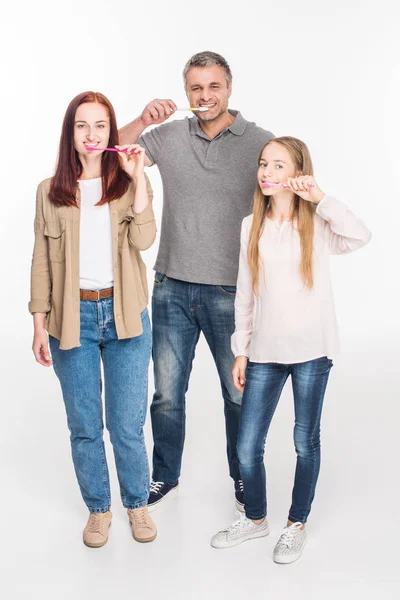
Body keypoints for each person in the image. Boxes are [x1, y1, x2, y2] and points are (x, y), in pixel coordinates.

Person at [119, 51, 274, 511]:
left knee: (237, 394)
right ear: (186, 92)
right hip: (171, 288)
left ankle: (244, 476)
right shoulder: (167, 136)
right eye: (195, 88)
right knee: (167, 395)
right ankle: (165, 476)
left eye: (213, 87)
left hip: (233, 291)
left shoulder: (259, 143)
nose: (205, 96)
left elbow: (285, 196)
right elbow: (110, 154)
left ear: (229, 88)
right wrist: (141, 118)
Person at [210, 136, 371, 563]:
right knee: (247, 446)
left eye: (278, 166)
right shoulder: (251, 225)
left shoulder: (317, 223)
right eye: (264, 164)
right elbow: (245, 293)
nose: (267, 172)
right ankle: (256, 519)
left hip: (312, 351)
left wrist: (319, 197)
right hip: (264, 350)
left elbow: (359, 236)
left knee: (305, 441)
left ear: (297, 172)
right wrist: (240, 350)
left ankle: (296, 523)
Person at [29, 91, 157, 548]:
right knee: (85, 426)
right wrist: (39, 323)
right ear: (71, 133)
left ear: (110, 130)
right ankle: (99, 510)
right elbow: (42, 260)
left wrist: (138, 176)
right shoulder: (51, 191)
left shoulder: (126, 184)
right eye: (82, 125)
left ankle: (136, 505)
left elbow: (144, 241)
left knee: (126, 425)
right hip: (72, 320)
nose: (92, 134)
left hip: (125, 316)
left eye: (100, 125)